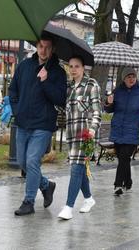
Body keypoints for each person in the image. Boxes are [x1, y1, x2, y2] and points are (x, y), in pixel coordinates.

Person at [9, 33, 67, 216]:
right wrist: (17, 110)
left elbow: (61, 99)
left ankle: (29, 201)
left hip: (43, 124)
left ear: (53, 49)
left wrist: (46, 81)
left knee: (33, 161)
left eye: (48, 47)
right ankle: (46, 185)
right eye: (41, 46)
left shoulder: (58, 72)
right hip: (23, 122)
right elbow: (13, 90)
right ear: (36, 46)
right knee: (22, 162)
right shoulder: (24, 66)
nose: (44, 51)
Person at [58, 55, 102, 220]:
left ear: (84, 68)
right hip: (71, 136)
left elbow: (97, 111)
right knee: (80, 169)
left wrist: (92, 130)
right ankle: (89, 199)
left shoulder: (92, 85)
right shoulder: (68, 87)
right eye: (71, 66)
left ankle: (68, 206)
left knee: (76, 168)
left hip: (86, 136)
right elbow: (63, 109)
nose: (73, 69)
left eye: (77, 66)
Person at [104, 67, 139, 196]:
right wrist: (108, 102)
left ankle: (118, 184)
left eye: (133, 76)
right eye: (128, 77)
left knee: (124, 156)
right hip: (118, 129)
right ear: (124, 79)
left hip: (134, 130)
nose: (131, 79)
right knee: (123, 158)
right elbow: (109, 110)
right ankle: (128, 181)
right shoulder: (117, 91)